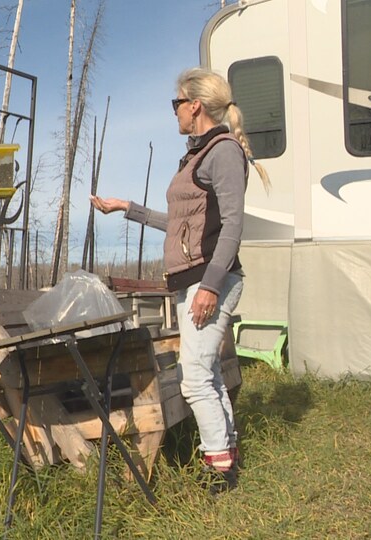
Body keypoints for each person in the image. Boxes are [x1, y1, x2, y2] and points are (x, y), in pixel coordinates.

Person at [90, 67, 270, 494]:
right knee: (204, 371)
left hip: (211, 279)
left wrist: (209, 285)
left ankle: (219, 467)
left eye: (177, 104)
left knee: (192, 377)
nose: (174, 113)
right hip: (197, 278)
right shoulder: (198, 154)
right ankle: (227, 453)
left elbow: (231, 226)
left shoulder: (222, 151)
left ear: (195, 106)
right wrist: (126, 207)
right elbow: (179, 222)